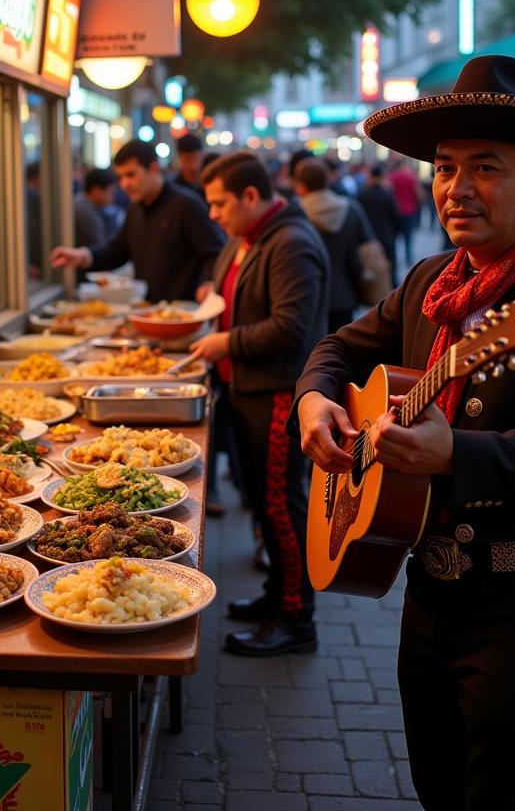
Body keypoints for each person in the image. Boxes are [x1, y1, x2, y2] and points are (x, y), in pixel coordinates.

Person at [293, 55, 515, 811]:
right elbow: (338, 349)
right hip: (432, 588)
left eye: (485, 168)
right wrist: (316, 401)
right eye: (446, 168)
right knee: (440, 791)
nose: (456, 189)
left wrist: (458, 453)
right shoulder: (432, 281)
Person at [191, 151, 328, 656]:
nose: (213, 214)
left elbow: (291, 328)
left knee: (280, 506)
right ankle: (277, 596)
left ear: (251, 196)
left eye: (219, 203)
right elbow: (230, 291)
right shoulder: (247, 236)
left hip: (276, 394)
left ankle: (297, 618)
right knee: (264, 506)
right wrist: (213, 294)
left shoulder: (291, 242)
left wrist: (227, 343)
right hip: (245, 391)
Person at [50, 139, 224, 303]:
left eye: (131, 175)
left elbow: (214, 251)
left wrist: (208, 281)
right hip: (148, 311)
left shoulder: (186, 204)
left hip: (186, 314)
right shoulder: (135, 209)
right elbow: (116, 251)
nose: (124, 184)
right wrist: (83, 256)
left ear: (153, 168)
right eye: (120, 177)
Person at [293, 159, 373, 332]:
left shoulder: (294, 214)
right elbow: (366, 249)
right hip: (344, 293)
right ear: (327, 180)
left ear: (300, 185)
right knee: (341, 348)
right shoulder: (350, 208)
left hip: (307, 295)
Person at [357, 163, 401, 271]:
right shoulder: (387, 194)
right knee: (390, 268)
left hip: (369, 237)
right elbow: (396, 216)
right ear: (382, 176)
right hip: (387, 236)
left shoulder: (362, 194)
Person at [389, 158, 423, 268]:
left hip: (395, 211)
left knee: (394, 237)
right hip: (409, 210)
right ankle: (408, 258)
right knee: (408, 237)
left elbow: (388, 192)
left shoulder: (392, 177)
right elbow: (417, 193)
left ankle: (394, 258)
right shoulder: (411, 176)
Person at [73, 167, 119, 248]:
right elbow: (102, 246)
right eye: (111, 193)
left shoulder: (81, 200)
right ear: (96, 191)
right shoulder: (86, 213)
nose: (113, 198)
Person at [174, 132, 205, 198]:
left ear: (202, 156)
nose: (193, 166)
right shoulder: (173, 188)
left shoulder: (209, 185)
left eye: (196, 159)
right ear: (179, 158)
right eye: (187, 160)